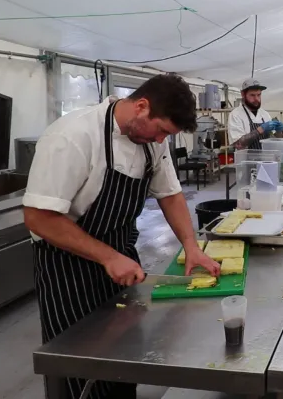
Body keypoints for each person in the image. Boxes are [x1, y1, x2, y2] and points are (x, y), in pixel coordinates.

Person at [23, 73, 221, 399]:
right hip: (67, 267)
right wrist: (107, 256)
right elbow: (38, 217)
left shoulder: (150, 143)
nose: (161, 142)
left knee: (124, 357)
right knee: (80, 363)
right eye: (161, 131)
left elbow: (169, 194)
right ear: (141, 107)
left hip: (122, 256)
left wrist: (191, 247)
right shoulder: (73, 136)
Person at [228, 79, 283, 149]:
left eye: (259, 95)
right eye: (252, 95)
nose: (256, 99)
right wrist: (260, 130)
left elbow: (273, 137)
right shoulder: (235, 115)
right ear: (243, 94)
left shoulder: (265, 114)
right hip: (246, 159)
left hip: (265, 158)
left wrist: (278, 131)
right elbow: (238, 144)